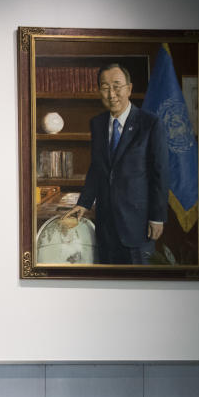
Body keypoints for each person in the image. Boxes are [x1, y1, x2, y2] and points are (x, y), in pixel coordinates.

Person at [63, 63, 168, 264]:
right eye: (105, 87)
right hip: (106, 225)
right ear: (99, 91)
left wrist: (157, 217)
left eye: (117, 86)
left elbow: (160, 173)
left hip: (138, 225)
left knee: (140, 287)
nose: (111, 94)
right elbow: (97, 167)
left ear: (129, 88)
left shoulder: (150, 123)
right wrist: (83, 203)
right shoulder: (98, 123)